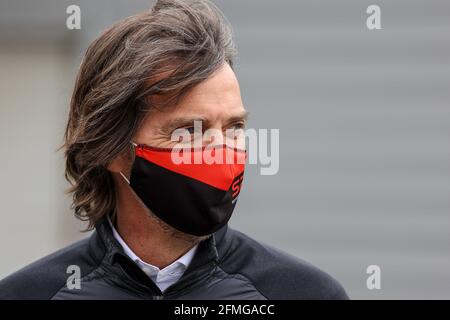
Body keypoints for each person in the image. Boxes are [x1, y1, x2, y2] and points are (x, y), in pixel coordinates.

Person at [0, 0, 348, 300]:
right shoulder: (29, 294)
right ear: (112, 149)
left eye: (234, 127)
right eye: (189, 131)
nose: (220, 151)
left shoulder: (303, 292)